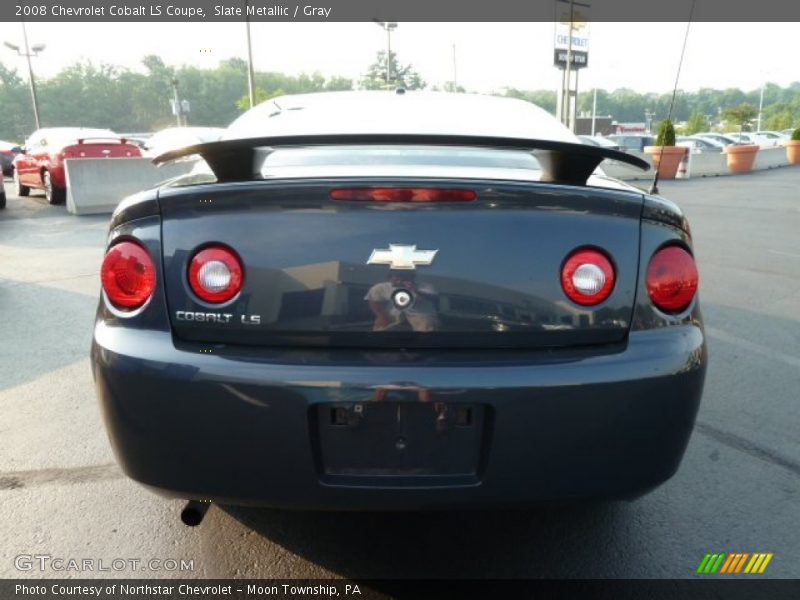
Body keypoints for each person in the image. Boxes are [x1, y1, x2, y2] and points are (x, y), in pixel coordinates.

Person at [365, 270, 439, 332]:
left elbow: (433, 298)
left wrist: (415, 289)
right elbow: (374, 300)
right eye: (396, 276)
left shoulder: (424, 286)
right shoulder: (381, 287)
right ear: (389, 278)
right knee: (381, 327)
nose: (400, 279)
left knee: (426, 325)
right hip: (392, 313)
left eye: (404, 276)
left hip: (420, 313)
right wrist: (382, 316)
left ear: (412, 277)